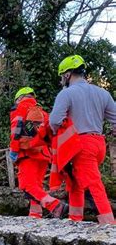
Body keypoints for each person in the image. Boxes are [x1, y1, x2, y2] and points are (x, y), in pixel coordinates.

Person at [49, 54, 116, 224]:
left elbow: (55, 121)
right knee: (75, 183)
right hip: (99, 144)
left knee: (94, 187)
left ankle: (110, 228)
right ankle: (75, 220)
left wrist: (61, 129)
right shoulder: (102, 92)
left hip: (79, 145)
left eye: (62, 76)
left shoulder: (66, 94)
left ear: (67, 74)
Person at [9, 87, 67, 219]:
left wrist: (13, 150)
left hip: (28, 153)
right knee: (36, 186)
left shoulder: (20, 109)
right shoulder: (43, 112)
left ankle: (55, 206)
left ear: (19, 98)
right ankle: (35, 215)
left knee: (27, 185)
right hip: (44, 154)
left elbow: (16, 131)